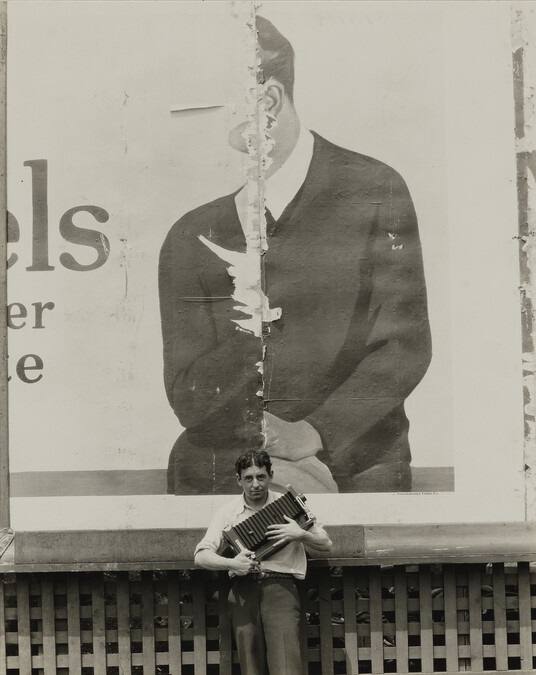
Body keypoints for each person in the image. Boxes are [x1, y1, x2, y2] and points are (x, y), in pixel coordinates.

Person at [159, 15, 432, 495]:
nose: (184, 119)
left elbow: (404, 348)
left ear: (266, 101)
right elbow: (188, 399)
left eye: (201, 105)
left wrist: (313, 434)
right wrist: (251, 331)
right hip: (229, 466)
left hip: (355, 461)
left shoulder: (374, 190)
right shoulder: (191, 234)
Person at [194, 449, 332, 675]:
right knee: (250, 665)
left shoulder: (289, 507)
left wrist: (300, 534)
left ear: (271, 475)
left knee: (287, 666)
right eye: (248, 478)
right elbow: (200, 556)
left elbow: (327, 544)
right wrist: (232, 564)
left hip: (281, 589)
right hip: (243, 591)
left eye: (261, 477)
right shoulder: (228, 513)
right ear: (239, 480)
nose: (255, 484)